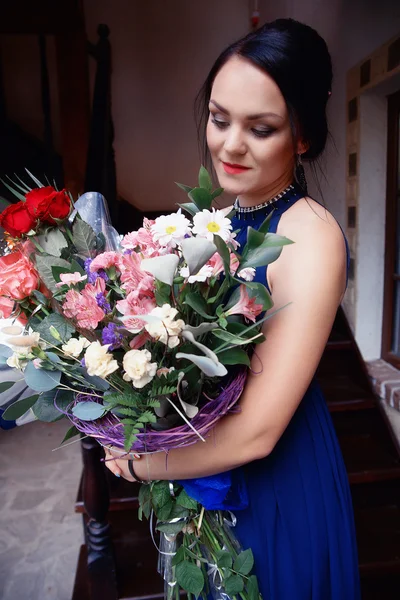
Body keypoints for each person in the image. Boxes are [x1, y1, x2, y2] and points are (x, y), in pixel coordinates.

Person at [104, 18, 361, 599]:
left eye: (261, 127)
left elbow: (261, 432)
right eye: (220, 119)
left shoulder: (309, 234)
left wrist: (140, 461)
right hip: (205, 461)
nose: (230, 144)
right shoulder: (220, 222)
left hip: (275, 479)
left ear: (304, 137)